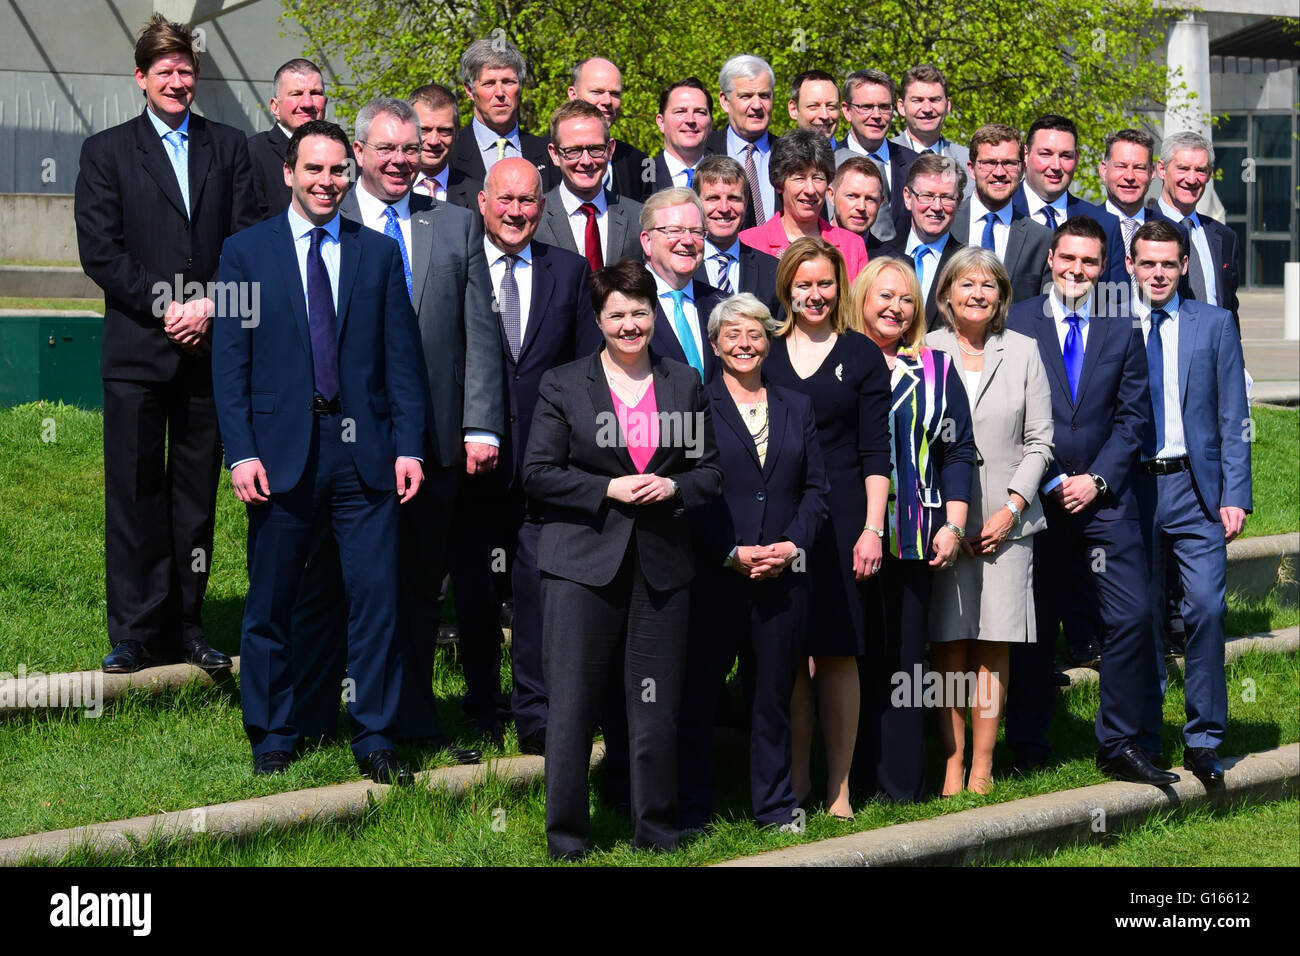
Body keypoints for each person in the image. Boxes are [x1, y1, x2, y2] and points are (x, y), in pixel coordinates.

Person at [211, 119, 428, 782]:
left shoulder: (378, 253)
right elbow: (230, 363)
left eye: (338, 170)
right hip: (280, 454)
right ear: (289, 173)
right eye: (315, 170)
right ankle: (274, 732)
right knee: (272, 602)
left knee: (375, 599)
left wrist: (409, 447)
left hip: (364, 454)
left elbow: (403, 362)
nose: (327, 182)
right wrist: (241, 452)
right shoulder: (244, 253)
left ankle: (373, 733)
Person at [290, 98, 497, 763]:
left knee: (414, 588)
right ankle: (317, 714)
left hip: (431, 443)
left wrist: (479, 424)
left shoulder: (456, 226)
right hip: (343, 444)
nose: (401, 161)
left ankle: (411, 719)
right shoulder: (329, 217)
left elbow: (479, 333)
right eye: (387, 149)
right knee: (329, 585)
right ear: (359, 153)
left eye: (410, 149)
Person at [75, 13, 258, 674]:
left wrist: (208, 306)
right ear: (141, 78)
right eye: (165, 71)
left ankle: (185, 623)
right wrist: (168, 306)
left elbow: (246, 239)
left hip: (207, 351)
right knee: (133, 491)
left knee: (193, 497)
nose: (177, 81)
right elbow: (101, 250)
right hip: (136, 353)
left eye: (186, 70)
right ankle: (133, 628)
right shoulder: (106, 152)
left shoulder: (229, 147)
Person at [524, 258, 723, 860]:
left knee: (654, 705)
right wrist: (604, 489)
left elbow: (709, 471)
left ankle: (656, 832)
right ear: (599, 319)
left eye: (640, 312)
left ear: (653, 314)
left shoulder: (683, 381)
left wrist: (676, 489)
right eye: (618, 314)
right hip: (581, 564)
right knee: (574, 705)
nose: (631, 324)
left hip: (660, 565)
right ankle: (567, 839)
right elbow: (536, 473)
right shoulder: (563, 384)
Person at [1005, 217, 1177, 786]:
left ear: (1103, 268)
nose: (1077, 270)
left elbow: (1134, 418)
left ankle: (1120, 742)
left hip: (1107, 501)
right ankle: (1027, 740)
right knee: (1036, 622)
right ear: (1051, 259)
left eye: (1089, 262)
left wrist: (1098, 480)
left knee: (1133, 615)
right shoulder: (1018, 319)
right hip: (1039, 498)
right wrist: (1048, 479)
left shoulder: (1121, 325)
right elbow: (1012, 414)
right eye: (1068, 258)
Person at [449, 157, 595, 755]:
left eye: (528, 201)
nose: (516, 212)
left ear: (543, 205)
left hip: (546, 466)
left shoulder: (570, 270)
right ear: (482, 203)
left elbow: (587, 369)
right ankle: (481, 704)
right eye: (504, 200)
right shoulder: (455, 265)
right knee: (477, 590)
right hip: (473, 462)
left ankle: (536, 712)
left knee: (538, 589)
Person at [677, 293, 829, 830]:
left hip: (783, 579)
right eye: (732, 335)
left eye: (755, 334)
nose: (745, 344)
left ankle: (774, 806)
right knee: (698, 697)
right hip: (717, 576)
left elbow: (817, 491)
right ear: (715, 346)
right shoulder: (694, 406)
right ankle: (694, 809)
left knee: (772, 699)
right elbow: (688, 492)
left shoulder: (797, 406)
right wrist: (729, 552)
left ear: (769, 341)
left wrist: (790, 546)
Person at [763, 237, 892, 819]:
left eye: (824, 283)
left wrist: (873, 528)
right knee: (789, 654)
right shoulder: (762, 352)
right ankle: (795, 783)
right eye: (803, 283)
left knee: (839, 653)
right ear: (787, 287)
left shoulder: (861, 355)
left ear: (840, 286)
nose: (814, 294)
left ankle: (839, 789)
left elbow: (876, 452)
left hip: (843, 520)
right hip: (783, 519)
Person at [926, 247, 1054, 795]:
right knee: (949, 642)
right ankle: (950, 763)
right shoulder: (924, 349)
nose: (977, 293)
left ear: (1002, 296)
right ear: (947, 294)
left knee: (993, 642)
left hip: (1008, 523)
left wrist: (1011, 509)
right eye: (966, 283)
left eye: (988, 285)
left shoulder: (1023, 351)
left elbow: (1041, 441)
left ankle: (983, 765)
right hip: (941, 521)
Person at [1128, 220, 1251, 784]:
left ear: (1182, 267)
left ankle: (1204, 739)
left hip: (1197, 491)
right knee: (1145, 614)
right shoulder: (1114, 325)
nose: (1157, 273)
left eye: (1167, 264)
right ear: (1131, 266)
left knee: (1205, 608)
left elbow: (1233, 416)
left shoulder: (1215, 324)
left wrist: (1236, 493)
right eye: (1146, 263)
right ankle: (1146, 736)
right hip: (1133, 491)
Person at [850, 257, 975, 802]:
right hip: (846, 535)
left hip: (916, 536)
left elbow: (958, 451)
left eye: (905, 299)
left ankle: (900, 785)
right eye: (883, 297)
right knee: (852, 657)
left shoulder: (937, 369)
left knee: (905, 662)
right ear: (861, 300)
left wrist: (954, 522)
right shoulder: (839, 363)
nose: (895, 308)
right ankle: (848, 779)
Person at [738, 129, 868, 278]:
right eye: (799, 178)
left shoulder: (852, 246)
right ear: (779, 184)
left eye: (818, 178)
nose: (810, 189)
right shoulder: (748, 243)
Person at [534, 99, 644, 272]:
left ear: (610, 150)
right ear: (554, 154)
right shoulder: (534, 219)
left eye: (595, 149)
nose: (586, 161)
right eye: (573, 151)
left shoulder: (639, 218)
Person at [1013, 114, 1125, 283]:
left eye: (1065, 156)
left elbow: (1116, 302)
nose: (1056, 166)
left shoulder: (1107, 225)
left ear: (1077, 158)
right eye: (1045, 154)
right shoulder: (999, 214)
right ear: (1026, 155)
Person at [447, 37, 557, 205]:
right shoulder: (449, 154)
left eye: (508, 82)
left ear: (520, 86)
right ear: (469, 90)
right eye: (489, 83)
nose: (500, 92)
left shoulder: (549, 154)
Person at [1147, 131, 1241, 327]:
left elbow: (1230, 308)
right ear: (1162, 169)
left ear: (1209, 174)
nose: (1192, 179)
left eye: (1200, 170)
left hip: (1216, 352)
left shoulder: (1225, 237)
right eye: (1182, 168)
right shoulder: (1140, 229)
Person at [951, 124, 1052, 303]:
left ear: (1022, 169)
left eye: (1009, 163)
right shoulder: (946, 225)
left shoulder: (1041, 240)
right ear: (971, 168)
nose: (999, 172)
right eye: (989, 163)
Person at [640, 188, 727, 382]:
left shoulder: (722, 304)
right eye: (674, 230)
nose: (688, 241)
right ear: (647, 242)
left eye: (696, 232)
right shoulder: (625, 303)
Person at [880, 153, 965, 328]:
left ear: (959, 202)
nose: (936, 207)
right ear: (907, 197)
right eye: (927, 196)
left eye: (947, 197)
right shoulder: (880, 253)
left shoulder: (966, 265)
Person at [692, 154, 781, 315]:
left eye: (733, 198)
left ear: (745, 203)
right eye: (713, 198)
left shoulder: (773, 271)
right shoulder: (682, 268)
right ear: (696, 203)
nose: (724, 208)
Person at [836, 69, 918, 243]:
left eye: (884, 107)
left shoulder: (916, 165)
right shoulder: (829, 163)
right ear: (847, 111)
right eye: (866, 107)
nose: (876, 116)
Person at [248, 58, 326, 218]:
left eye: (315, 93)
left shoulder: (345, 155)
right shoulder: (251, 154)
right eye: (296, 94)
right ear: (275, 107)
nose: (307, 103)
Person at [709, 54, 777, 229]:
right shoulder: (703, 152)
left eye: (764, 96)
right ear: (725, 101)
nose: (756, 105)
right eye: (746, 96)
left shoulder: (790, 153)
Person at [568, 57, 650, 201]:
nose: (607, 101)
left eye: (614, 94)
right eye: (597, 92)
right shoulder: (540, 158)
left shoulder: (638, 162)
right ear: (573, 95)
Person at [891, 65, 970, 195]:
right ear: (901, 107)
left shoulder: (968, 161)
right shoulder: (885, 158)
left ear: (947, 105)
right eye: (917, 100)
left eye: (934, 100)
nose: (927, 108)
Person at [408, 83, 475, 206]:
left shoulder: (477, 197)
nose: (434, 141)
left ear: (457, 133)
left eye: (444, 131)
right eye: (424, 130)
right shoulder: (383, 189)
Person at [1099, 128, 1157, 257]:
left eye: (1139, 168)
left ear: (1152, 173)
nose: (1129, 176)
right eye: (1121, 166)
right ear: (1103, 170)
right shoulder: (1080, 228)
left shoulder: (1174, 231)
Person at [650, 79, 714, 193]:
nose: (690, 120)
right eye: (680, 111)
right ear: (661, 122)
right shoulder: (639, 178)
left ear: (710, 124)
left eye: (700, 112)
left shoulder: (730, 178)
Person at [827, 156, 887, 255]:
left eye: (870, 199)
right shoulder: (807, 252)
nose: (861, 207)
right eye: (852, 196)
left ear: (880, 202)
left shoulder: (893, 264)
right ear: (831, 196)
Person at [788, 70, 842, 148]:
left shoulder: (854, 159)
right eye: (813, 106)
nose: (824, 115)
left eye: (831, 107)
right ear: (793, 109)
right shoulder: (774, 158)